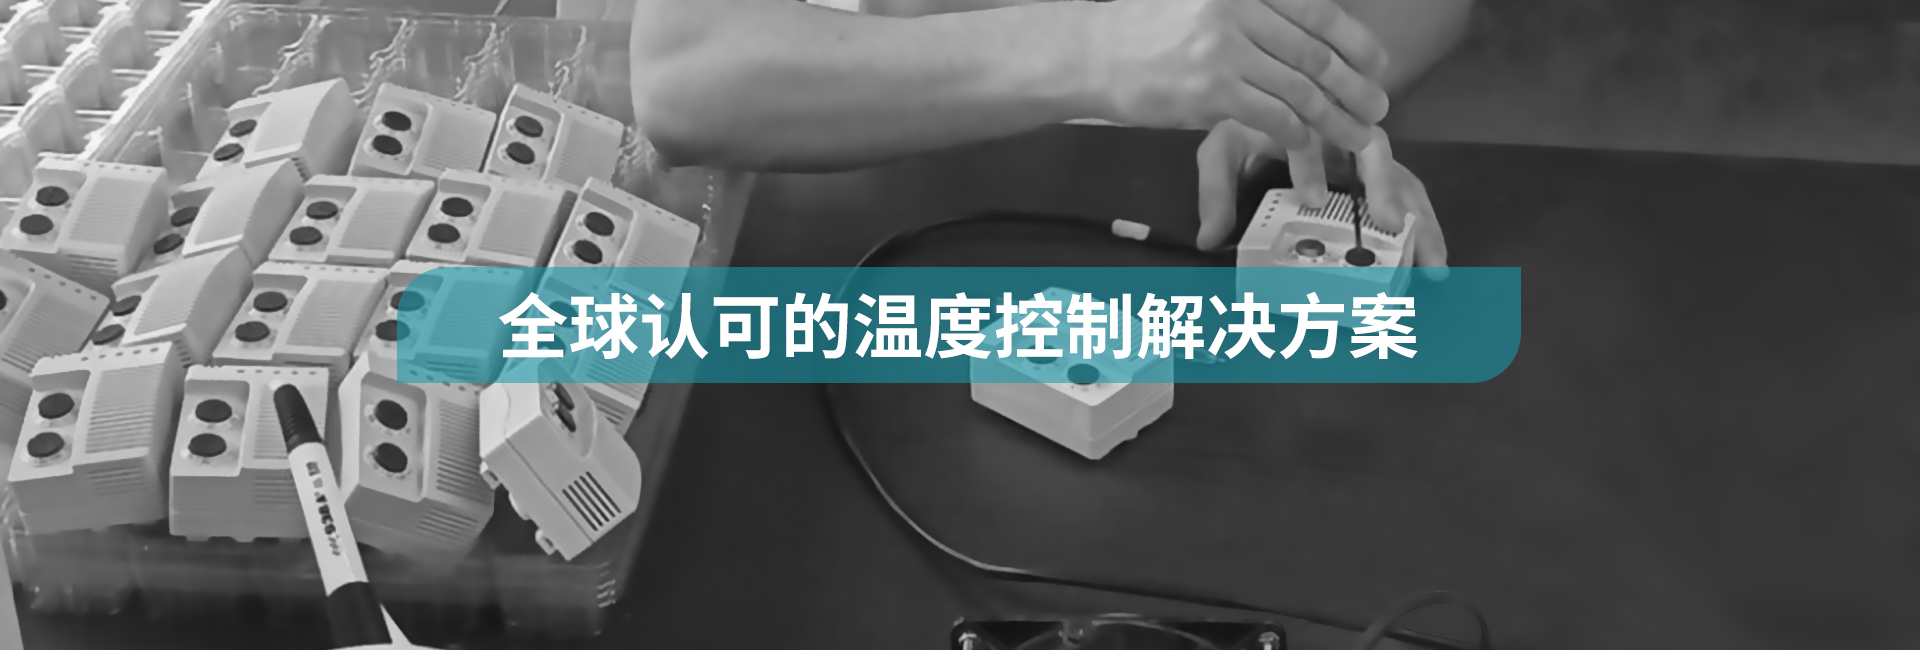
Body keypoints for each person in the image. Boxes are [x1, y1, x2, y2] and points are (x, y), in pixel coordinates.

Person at [624, 0, 1471, 272]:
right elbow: (685, 75)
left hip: (1160, 216)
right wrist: (1099, 49)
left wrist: (1288, 85)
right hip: (865, 245)